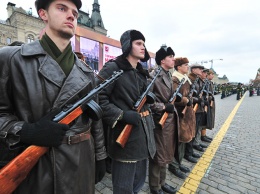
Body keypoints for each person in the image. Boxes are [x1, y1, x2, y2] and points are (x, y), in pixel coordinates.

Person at [0, 0, 107, 193]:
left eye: (75, 13)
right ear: (43, 14)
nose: (71, 16)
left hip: (80, 163)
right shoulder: (11, 58)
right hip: (36, 169)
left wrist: (100, 156)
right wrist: (27, 131)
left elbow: (95, 120)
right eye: (61, 8)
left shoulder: (86, 72)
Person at [98, 29, 156, 194]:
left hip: (144, 135)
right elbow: (98, 98)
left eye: (144, 44)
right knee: (123, 187)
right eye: (138, 43)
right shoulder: (113, 68)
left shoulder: (141, 72)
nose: (143, 47)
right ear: (127, 45)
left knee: (138, 183)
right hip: (125, 138)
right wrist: (121, 115)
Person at [149, 46, 178, 194]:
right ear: (162, 60)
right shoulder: (153, 75)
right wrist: (163, 107)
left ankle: (163, 182)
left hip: (169, 122)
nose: (173, 59)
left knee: (166, 152)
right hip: (159, 121)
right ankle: (155, 186)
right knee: (158, 155)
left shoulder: (167, 74)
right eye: (170, 56)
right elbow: (147, 102)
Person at [168, 57, 196, 180]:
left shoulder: (185, 79)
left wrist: (191, 100)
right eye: (185, 65)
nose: (187, 67)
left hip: (186, 115)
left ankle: (179, 163)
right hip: (179, 115)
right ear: (178, 67)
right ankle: (174, 166)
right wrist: (186, 100)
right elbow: (175, 98)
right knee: (178, 141)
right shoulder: (175, 79)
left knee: (183, 141)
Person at [201, 69, 215, 142]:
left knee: (207, 119)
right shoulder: (206, 82)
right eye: (212, 74)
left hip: (209, 102)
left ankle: (204, 135)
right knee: (205, 119)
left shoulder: (209, 82)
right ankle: (202, 135)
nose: (213, 76)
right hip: (206, 102)